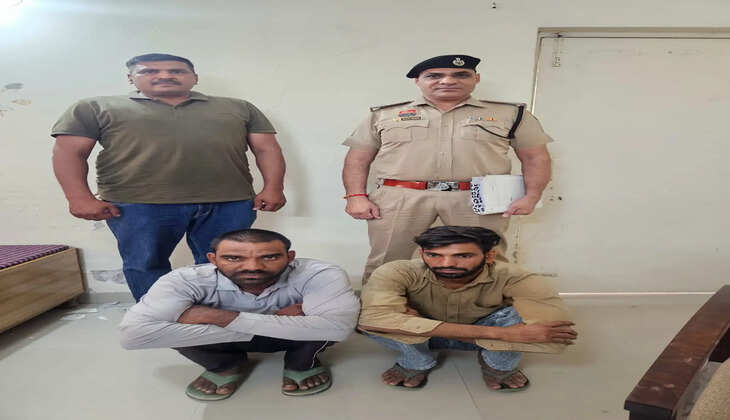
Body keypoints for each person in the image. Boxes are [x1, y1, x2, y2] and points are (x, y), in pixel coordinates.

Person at [51, 53, 287, 301]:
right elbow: (69, 153)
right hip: (138, 203)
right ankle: (157, 315)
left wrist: (274, 188)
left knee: (227, 263)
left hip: (229, 201)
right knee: (145, 263)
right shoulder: (95, 107)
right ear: (131, 78)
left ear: (194, 77)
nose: (165, 76)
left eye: (176, 71)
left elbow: (267, 149)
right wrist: (79, 198)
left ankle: (221, 313)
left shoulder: (239, 108)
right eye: (149, 71)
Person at [342, 54, 553, 283]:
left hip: (477, 197)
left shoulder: (511, 114)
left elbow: (535, 158)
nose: (448, 81)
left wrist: (532, 196)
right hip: (400, 197)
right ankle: (379, 305)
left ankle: (484, 305)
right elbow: (357, 159)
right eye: (434, 76)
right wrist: (355, 196)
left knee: (485, 261)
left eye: (461, 75)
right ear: (417, 81)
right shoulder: (384, 115)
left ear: (476, 78)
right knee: (388, 261)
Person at [119, 228, 360, 400]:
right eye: (234, 258)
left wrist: (217, 316)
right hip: (264, 334)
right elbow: (134, 337)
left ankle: (301, 364)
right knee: (175, 333)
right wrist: (278, 319)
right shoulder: (184, 280)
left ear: (290, 257)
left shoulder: (320, 273)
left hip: (280, 338)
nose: (253, 267)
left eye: (269, 257)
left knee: (325, 328)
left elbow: (338, 329)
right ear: (213, 259)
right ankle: (225, 365)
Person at [358, 226, 576, 391]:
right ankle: (416, 361)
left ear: (489, 256)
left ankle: (496, 365)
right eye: (434, 255)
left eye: (463, 256)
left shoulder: (516, 276)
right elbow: (371, 322)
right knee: (369, 319)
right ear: (422, 254)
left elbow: (553, 338)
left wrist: (411, 324)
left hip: (425, 331)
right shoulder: (397, 271)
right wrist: (503, 334)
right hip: (469, 334)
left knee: (527, 321)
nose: (446, 264)